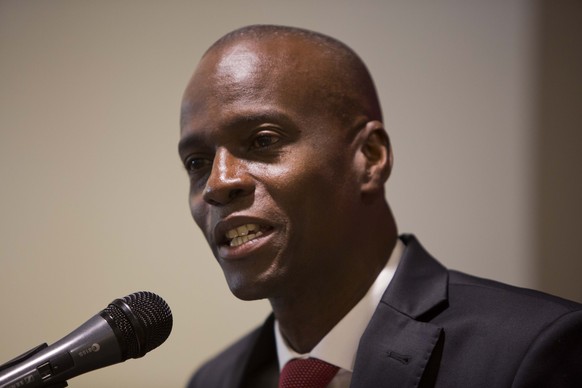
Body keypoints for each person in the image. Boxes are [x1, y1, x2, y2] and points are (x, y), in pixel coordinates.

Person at [178, 25, 582, 388]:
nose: (217, 183)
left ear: (369, 157)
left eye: (262, 141)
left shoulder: (533, 350)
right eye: (197, 163)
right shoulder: (213, 380)